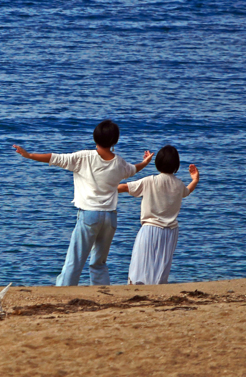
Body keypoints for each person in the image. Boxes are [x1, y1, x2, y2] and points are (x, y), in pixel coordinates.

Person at [14, 120, 153, 286]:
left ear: (95, 138)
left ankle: (64, 289)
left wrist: (29, 155)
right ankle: (102, 291)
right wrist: (145, 162)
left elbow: (54, 158)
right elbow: (133, 170)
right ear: (115, 141)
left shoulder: (84, 158)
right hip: (110, 217)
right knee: (99, 261)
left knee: (75, 259)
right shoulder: (120, 163)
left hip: (89, 215)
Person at [118, 144, 199, 285]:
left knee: (140, 267)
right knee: (161, 269)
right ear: (176, 165)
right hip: (171, 232)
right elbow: (187, 191)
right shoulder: (179, 184)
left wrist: (103, 188)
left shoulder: (151, 180)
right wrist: (195, 180)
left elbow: (125, 187)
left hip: (150, 229)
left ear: (157, 163)